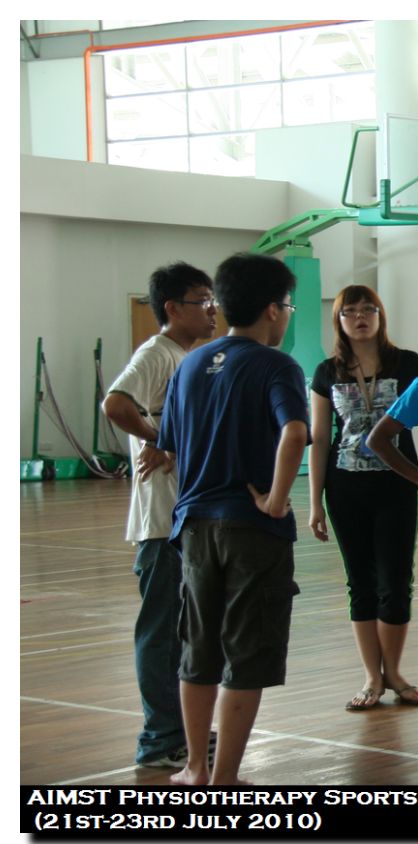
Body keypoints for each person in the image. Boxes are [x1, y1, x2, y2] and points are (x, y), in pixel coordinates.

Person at [157, 252, 309, 785]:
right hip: (252, 528)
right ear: (272, 309)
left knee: (197, 650)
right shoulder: (276, 365)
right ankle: (224, 779)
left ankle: (195, 768)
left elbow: (170, 445)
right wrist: (276, 499)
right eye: (288, 306)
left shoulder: (190, 364)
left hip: (195, 526)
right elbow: (295, 432)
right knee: (246, 654)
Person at [102, 261, 218, 769]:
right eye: (202, 301)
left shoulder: (192, 357)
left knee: (187, 632)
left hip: (188, 515)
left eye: (213, 300)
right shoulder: (157, 353)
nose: (212, 310)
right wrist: (160, 437)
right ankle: (159, 738)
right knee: (161, 632)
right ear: (172, 308)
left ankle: (183, 729)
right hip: (161, 520)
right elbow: (115, 404)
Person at [308, 285, 418, 712]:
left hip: (397, 485)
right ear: (339, 320)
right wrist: (315, 502)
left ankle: (394, 672)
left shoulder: (407, 363)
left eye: (368, 309)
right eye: (350, 311)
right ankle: (371, 677)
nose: (360, 317)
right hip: (345, 489)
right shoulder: (326, 372)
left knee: (395, 582)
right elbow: (320, 438)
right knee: (360, 583)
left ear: (380, 315)